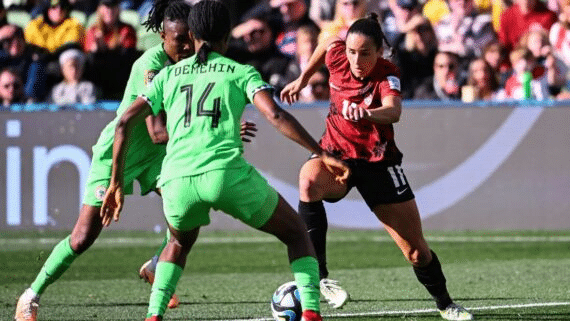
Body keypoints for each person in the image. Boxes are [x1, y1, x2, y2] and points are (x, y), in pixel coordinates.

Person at [99, 2, 349, 321]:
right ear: (227, 37)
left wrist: (115, 184)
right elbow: (274, 114)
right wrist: (323, 153)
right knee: (298, 233)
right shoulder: (240, 72)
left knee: (177, 243)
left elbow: (123, 123)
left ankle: (153, 315)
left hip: (176, 181)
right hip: (224, 175)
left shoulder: (167, 75)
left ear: (192, 34)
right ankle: (311, 313)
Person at [14, 1, 201, 320]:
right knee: (83, 237)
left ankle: (157, 267)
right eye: (178, 39)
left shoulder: (193, 62)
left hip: (156, 156)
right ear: (162, 36)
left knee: (189, 214)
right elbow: (157, 131)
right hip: (120, 152)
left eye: (190, 38)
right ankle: (31, 295)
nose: (185, 46)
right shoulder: (151, 66)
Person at [281, 13, 474, 320]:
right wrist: (303, 79)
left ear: (379, 52)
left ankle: (445, 303)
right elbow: (326, 42)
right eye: (352, 52)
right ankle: (320, 277)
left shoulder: (387, 73)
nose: (356, 60)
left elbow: (394, 111)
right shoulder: (338, 55)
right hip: (336, 156)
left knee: (416, 252)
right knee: (308, 181)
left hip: (378, 163)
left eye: (365, 53)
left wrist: (367, 114)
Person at [83, 0, 139, 100]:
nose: (109, 11)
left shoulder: (126, 29)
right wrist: (96, 48)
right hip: (99, 79)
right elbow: (89, 58)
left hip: (120, 79)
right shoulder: (93, 31)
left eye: (112, 6)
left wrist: (107, 49)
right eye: (106, 7)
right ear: (99, 9)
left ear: (118, 9)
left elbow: (127, 57)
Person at [0, 24, 47, 102]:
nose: (15, 43)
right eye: (9, 40)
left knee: (36, 66)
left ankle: (29, 102)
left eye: (18, 39)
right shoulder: (2, 56)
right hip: (3, 99)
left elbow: (45, 55)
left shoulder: (33, 57)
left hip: (25, 100)